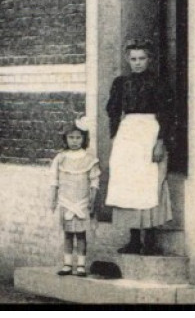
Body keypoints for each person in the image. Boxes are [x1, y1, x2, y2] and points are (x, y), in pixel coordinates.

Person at [105, 42, 175, 254]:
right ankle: (134, 239)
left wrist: (161, 141)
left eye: (141, 59)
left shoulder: (158, 83)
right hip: (128, 134)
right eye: (133, 59)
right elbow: (113, 110)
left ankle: (150, 241)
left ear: (149, 59)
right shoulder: (121, 83)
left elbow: (167, 113)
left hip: (150, 132)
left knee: (150, 181)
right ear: (128, 60)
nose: (137, 63)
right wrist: (116, 135)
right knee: (128, 182)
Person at [50, 123, 100, 276]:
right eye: (71, 137)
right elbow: (54, 180)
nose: (74, 141)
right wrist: (53, 199)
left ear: (84, 139)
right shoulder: (60, 158)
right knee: (68, 234)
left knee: (81, 234)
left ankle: (81, 266)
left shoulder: (89, 159)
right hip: (66, 200)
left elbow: (94, 182)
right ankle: (67, 264)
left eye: (78, 137)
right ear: (65, 139)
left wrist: (92, 200)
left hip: (82, 201)